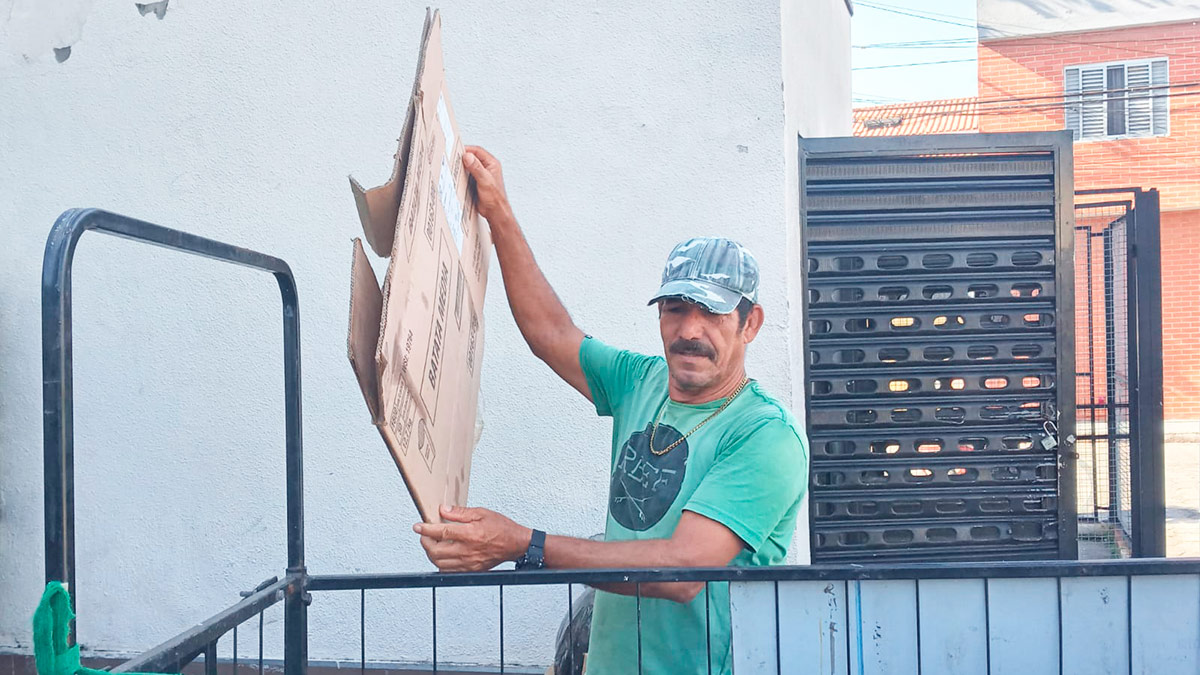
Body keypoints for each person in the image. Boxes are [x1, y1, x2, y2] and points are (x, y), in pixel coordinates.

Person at [412, 146, 809, 675]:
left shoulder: (765, 436)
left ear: (751, 324)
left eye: (712, 313)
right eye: (675, 309)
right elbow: (551, 332)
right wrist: (499, 214)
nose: (690, 331)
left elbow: (683, 570)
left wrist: (523, 545)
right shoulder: (641, 382)